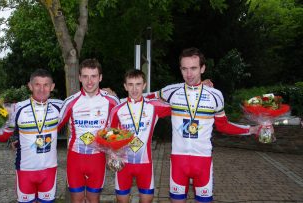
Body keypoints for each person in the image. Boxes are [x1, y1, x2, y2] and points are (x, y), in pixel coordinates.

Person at [150, 47, 259, 203]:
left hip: (203, 160)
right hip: (178, 160)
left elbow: (223, 125)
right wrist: (113, 98)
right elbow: (141, 98)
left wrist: (252, 129)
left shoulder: (215, 95)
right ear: (180, 69)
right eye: (184, 69)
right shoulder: (170, 91)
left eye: (193, 68)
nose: (189, 74)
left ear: (202, 68)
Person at [58, 58, 120, 203]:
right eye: (85, 76)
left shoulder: (111, 101)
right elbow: (54, 126)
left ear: (100, 77)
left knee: (94, 199)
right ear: (79, 77)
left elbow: (117, 129)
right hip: (75, 159)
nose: (89, 81)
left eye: (93, 76)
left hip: (97, 159)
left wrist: (112, 148)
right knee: (77, 200)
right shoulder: (71, 101)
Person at [0, 69, 64, 203]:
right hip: (25, 169)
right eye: (37, 84)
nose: (41, 89)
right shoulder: (17, 108)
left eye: (46, 85)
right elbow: (3, 136)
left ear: (52, 87)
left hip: (49, 169)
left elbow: (83, 105)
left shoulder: (60, 106)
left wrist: (108, 93)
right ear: (30, 86)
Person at [108, 69, 171, 203]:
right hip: (124, 165)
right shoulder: (117, 110)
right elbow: (110, 137)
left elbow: (178, 105)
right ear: (125, 86)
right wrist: (112, 154)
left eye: (138, 84)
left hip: (145, 165)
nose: (134, 89)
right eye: (130, 84)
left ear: (144, 85)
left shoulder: (154, 106)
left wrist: (197, 87)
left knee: (147, 200)